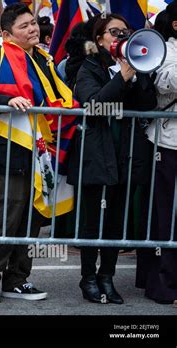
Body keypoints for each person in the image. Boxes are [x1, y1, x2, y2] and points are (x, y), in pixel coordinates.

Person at [0, 3, 58, 303]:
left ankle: (18, 279)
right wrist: (4, 99)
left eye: (34, 23)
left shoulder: (44, 59)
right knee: (8, 216)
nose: (33, 29)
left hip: (41, 150)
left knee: (33, 218)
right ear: (6, 33)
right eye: (24, 26)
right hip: (8, 151)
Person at [67, 13, 157, 304]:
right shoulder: (88, 67)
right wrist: (122, 78)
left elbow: (148, 104)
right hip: (97, 153)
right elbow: (95, 105)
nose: (120, 36)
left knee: (116, 221)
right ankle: (88, 278)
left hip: (126, 153)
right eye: (114, 32)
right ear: (100, 39)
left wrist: (138, 76)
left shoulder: (137, 66)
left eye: (125, 31)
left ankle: (107, 276)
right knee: (93, 221)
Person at [136, 2, 177, 305]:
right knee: (167, 215)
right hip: (169, 143)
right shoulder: (165, 50)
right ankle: (163, 283)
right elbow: (164, 81)